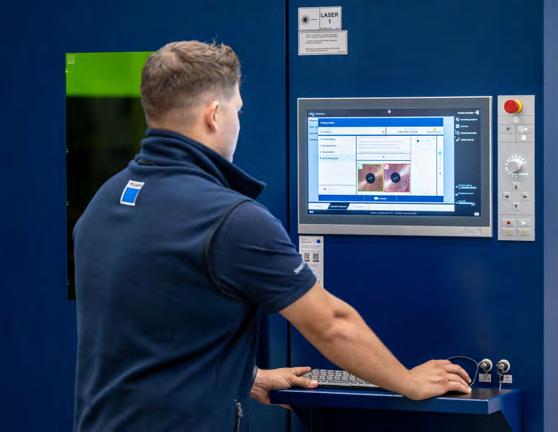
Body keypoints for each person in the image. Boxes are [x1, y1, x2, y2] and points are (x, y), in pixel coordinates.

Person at [72, 40, 471, 431]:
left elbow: (151, 326)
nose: (238, 122)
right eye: (237, 110)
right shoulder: (230, 219)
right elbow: (331, 324)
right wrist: (407, 381)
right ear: (214, 116)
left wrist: (246, 376)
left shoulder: (106, 200)